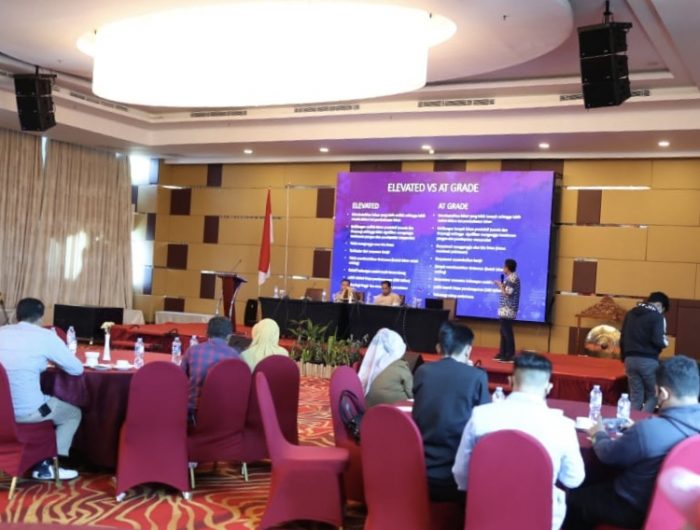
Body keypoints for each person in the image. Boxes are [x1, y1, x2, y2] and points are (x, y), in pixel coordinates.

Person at [564, 355, 700, 530]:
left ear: (663, 393)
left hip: (633, 507)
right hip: (683, 510)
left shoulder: (649, 431)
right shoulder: (653, 429)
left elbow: (608, 455)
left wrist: (599, 433)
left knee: (573, 498)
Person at [453, 353, 585, 530]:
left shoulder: (481, 416)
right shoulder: (563, 426)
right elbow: (573, 479)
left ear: (510, 381)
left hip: (486, 516)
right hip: (540, 520)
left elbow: (461, 472)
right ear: (549, 387)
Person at [0, 298, 83, 480]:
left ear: (16, 315)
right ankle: (48, 465)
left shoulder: (1, 332)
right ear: (40, 318)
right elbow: (77, 369)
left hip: (2, 412)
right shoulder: (45, 336)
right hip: (29, 412)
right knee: (73, 414)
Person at [412, 321, 490, 502]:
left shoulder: (422, 371)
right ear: (468, 350)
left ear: (439, 348)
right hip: (457, 475)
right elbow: (484, 422)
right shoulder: (476, 376)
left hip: (420, 469)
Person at [620, 291, 670, 411]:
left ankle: (631, 419)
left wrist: (624, 358)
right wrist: (665, 342)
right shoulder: (657, 317)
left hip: (629, 360)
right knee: (654, 395)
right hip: (648, 360)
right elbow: (658, 341)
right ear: (659, 305)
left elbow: (622, 337)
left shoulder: (630, 314)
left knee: (636, 396)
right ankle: (642, 419)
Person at [182, 316, 240, 417]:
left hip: (193, 410)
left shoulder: (192, 351)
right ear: (229, 336)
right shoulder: (235, 356)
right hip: (222, 412)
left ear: (206, 333)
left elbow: (180, 378)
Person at [358, 328, 412, 407]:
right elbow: (411, 392)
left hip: (371, 411)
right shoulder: (401, 366)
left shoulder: (370, 367)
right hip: (397, 411)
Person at [493, 258, 520, 361]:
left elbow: (508, 293)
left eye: (504, 266)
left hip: (508, 309)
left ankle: (510, 355)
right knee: (503, 332)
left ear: (508, 268)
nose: (503, 268)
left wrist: (500, 286)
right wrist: (502, 286)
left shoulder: (512, 278)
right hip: (505, 309)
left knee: (507, 333)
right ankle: (503, 353)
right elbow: (507, 291)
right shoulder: (510, 278)